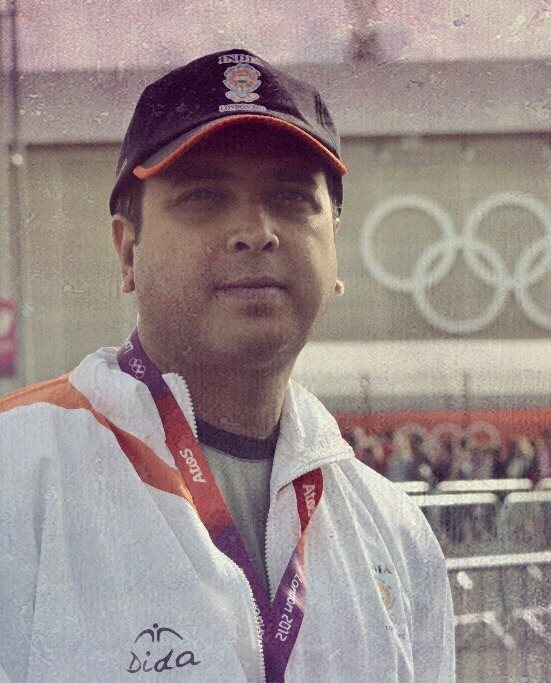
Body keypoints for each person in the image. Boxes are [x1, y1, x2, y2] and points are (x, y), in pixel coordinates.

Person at [0, 50, 455, 682]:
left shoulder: (394, 531)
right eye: (204, 197)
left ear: (335, 251)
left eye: (291, 198)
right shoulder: (17, 473)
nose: (256, 231)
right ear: (127, 252)